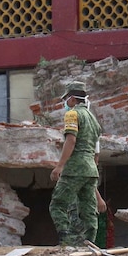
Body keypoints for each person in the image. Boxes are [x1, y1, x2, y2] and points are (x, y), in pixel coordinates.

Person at [48, 81, 101, 247]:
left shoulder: (72, 114)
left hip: (75, 168)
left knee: (57, 205)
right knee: (88, 209)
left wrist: (59, 166)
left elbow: (71, 140)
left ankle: (67, 241)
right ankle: (90, 242)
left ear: (71, 99)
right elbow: (96, 151)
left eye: (66, 99)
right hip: (91, 169)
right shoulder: (93, 120)